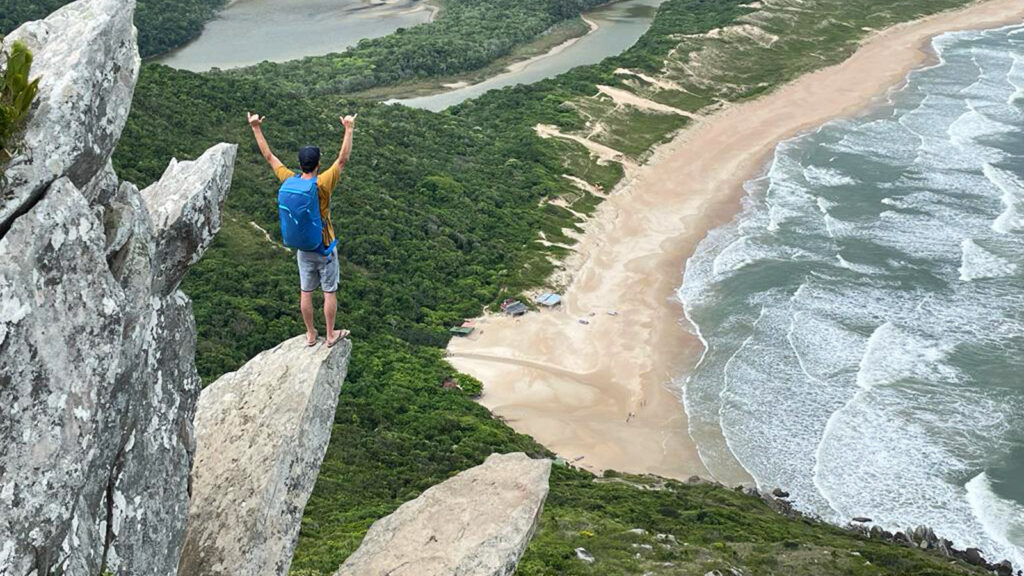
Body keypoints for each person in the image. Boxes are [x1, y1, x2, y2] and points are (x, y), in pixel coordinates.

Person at [247, 111, 356, 347]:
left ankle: (309, 334)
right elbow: (342, 159)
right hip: (324, 246)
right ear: (317, 164)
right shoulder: (323, 183)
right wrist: (348, 129)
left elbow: (269, 156)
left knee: (306, 291)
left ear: (300, 165)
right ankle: (329, 335)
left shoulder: (288, 180)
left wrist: (256, 127)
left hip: (303, 246)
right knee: (329, 291)